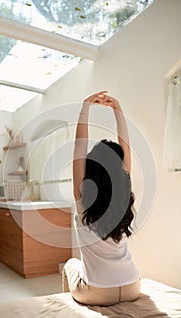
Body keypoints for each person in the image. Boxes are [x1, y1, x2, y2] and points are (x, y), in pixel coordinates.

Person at [62, 91, 140, 306]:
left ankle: (73, 313)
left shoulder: (82, 197)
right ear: (119, 170)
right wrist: (118, 109)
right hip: (133, 284)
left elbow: (80, 144)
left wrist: (85, 107)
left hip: (98, 292)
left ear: (91, 168)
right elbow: (126, 146)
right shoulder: (124, 192)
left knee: (70, 264)